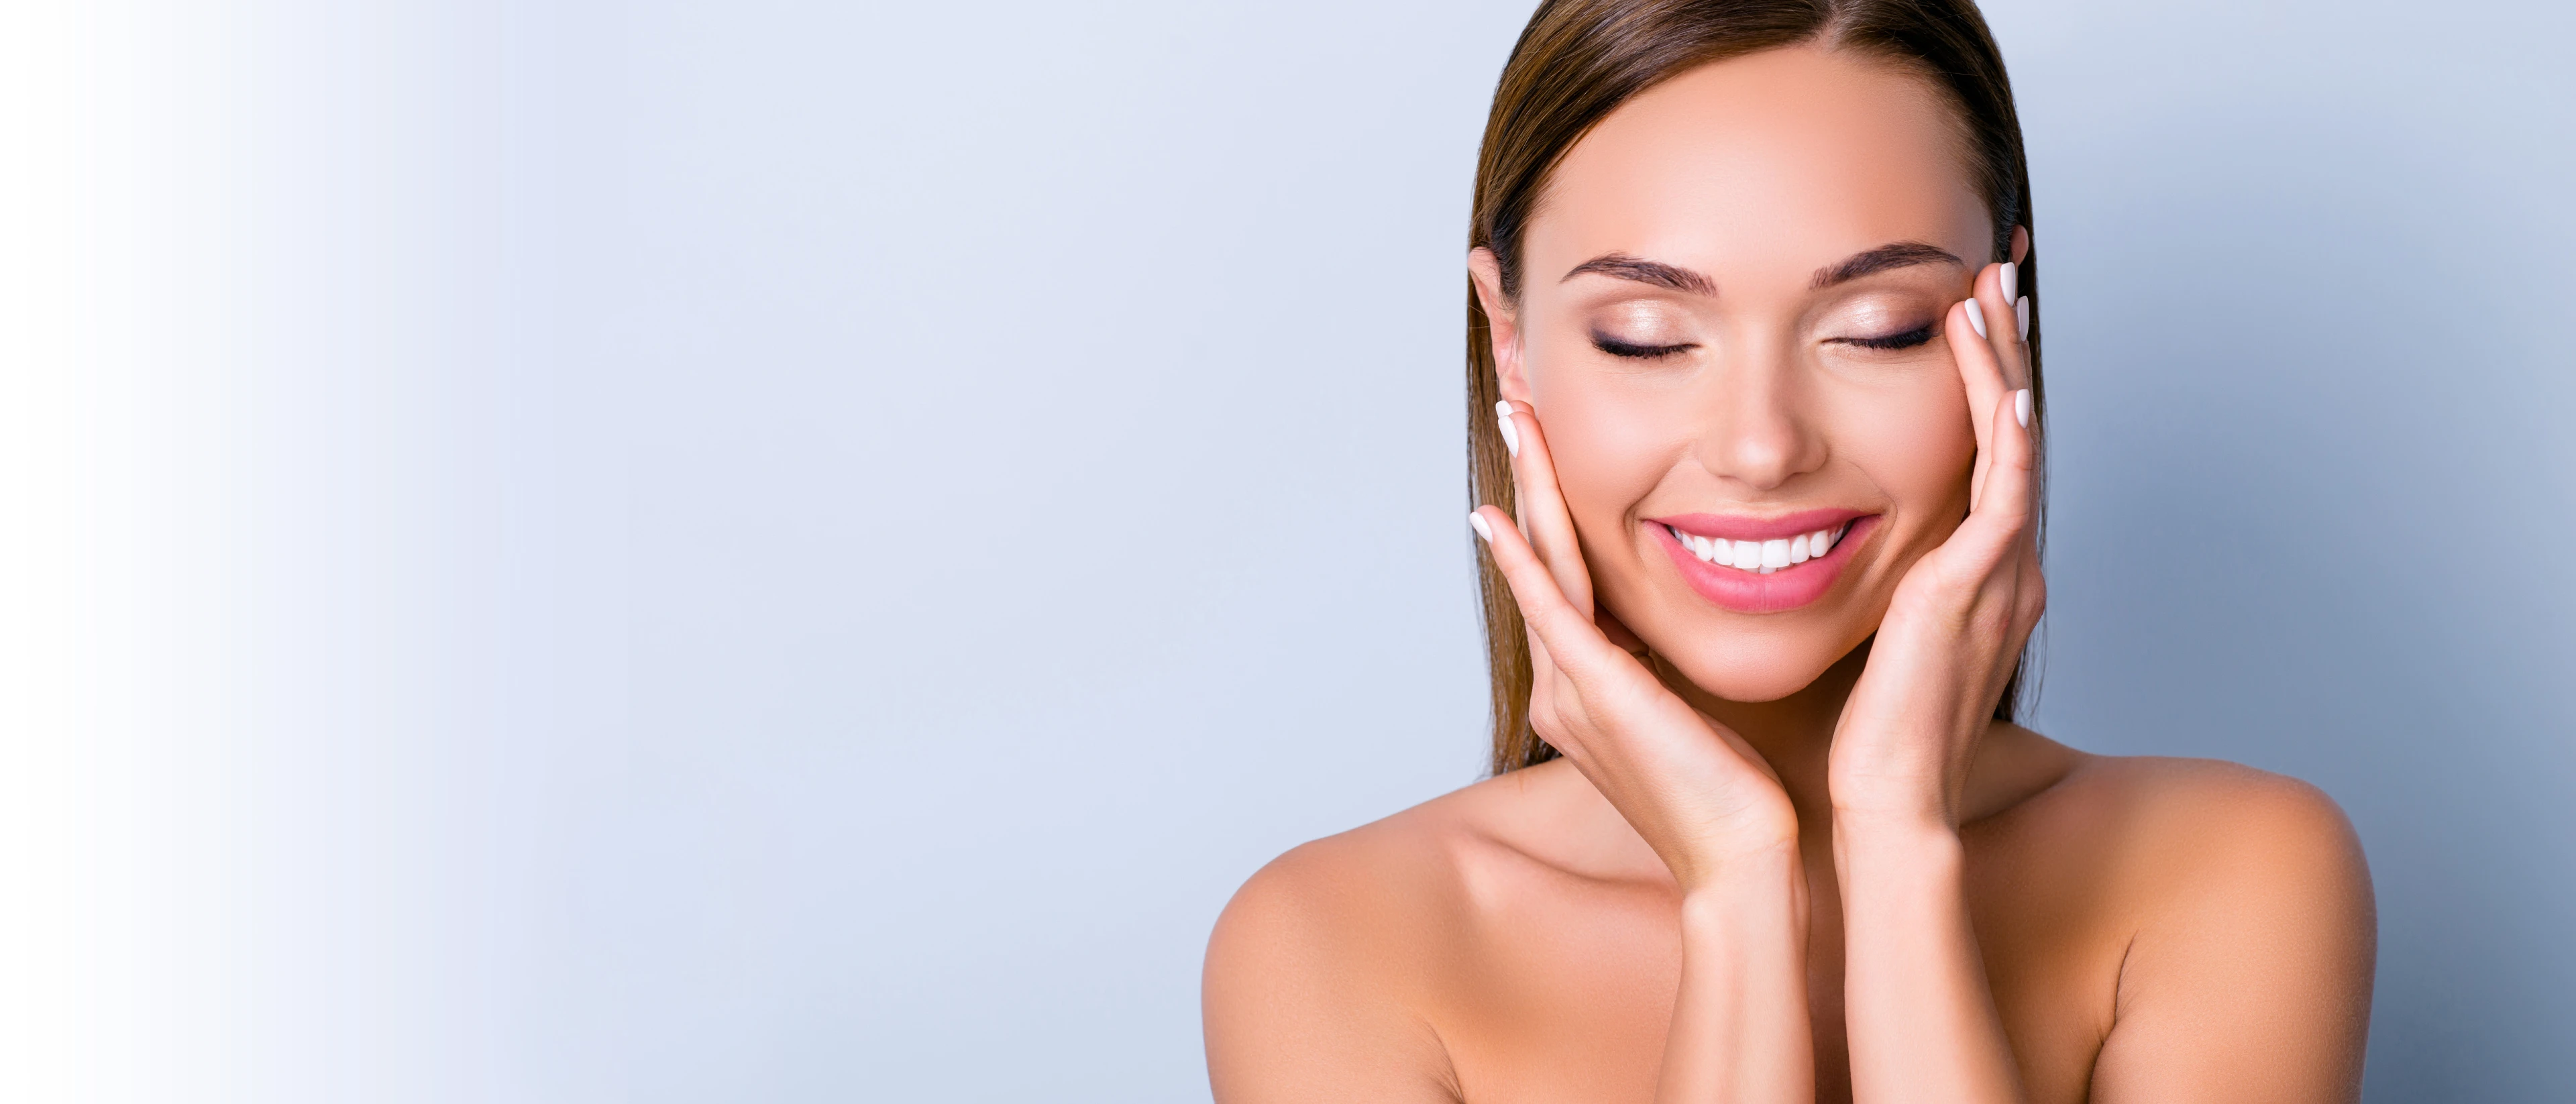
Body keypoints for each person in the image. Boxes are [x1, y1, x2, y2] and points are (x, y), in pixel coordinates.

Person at [1200, 1, 2377, 1100]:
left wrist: (1900, 845)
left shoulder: (2237, 875)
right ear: (1510, 339)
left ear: (2003, 324)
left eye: (1880, 329)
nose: (1762, 447)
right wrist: (1736, 885)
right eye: (1649, 338)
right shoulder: (1333, 943)